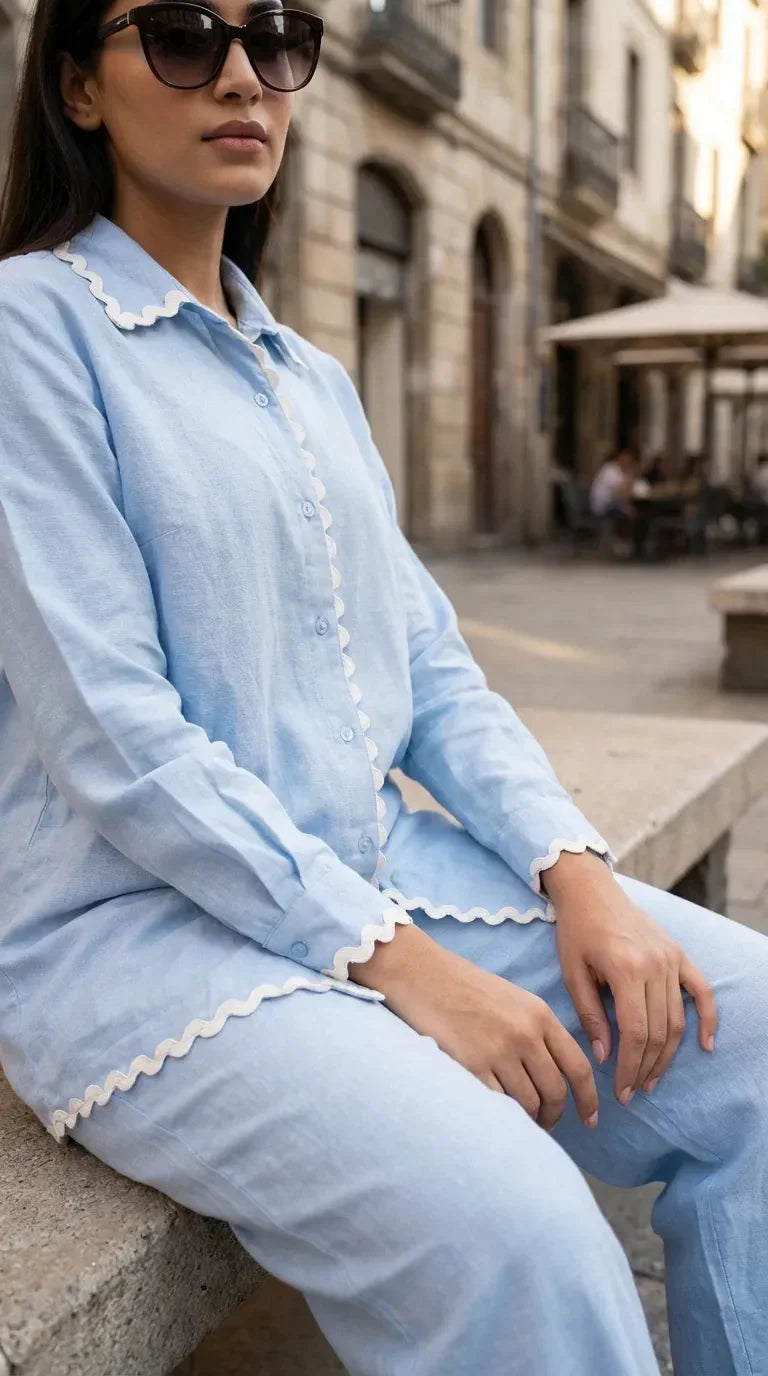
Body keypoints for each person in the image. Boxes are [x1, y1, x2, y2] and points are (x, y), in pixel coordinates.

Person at [0, 2, 765, 1373]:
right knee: (521, 1233)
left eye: (278, 39)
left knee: (757, 1039)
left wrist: (575, 871)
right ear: (79, 86)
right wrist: (408, 972)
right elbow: (118, 739)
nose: (244, 76)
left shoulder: (314, 380)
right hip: (143, 932)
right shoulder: (28, 334)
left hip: (380, 866)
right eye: (183, 37)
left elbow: (434, 671)